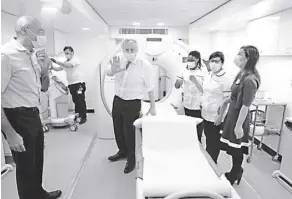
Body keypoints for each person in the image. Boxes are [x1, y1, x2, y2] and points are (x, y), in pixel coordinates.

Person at [1, 16, 62, 199]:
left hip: (33, 112)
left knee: (37, 161)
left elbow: (43, 87)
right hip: (16, 115)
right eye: (39, 30)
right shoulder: (7, 55)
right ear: (24, 29)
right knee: (26, 166)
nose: (42, 34)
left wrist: (44, 70)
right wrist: (10, 134)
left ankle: (39, 193)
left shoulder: (32, 54)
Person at [106, 39, 156, 174]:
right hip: (118, 100)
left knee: (129, 133)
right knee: (117, 129)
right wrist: (115, 70)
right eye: (126, 50)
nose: (129, 53)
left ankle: (131, 159)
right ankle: (122, 152)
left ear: (137, 50)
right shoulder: (118, 59)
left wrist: (153, 107)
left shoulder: (144, 65)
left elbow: (150, 87)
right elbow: (108, 72)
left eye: (132, 50)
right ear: (122, 49)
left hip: (133, 103)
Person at [219, 45, 261, 185]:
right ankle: (235, 170)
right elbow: (236, 96)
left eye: (240, 54)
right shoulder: (241, 74)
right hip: (232, 115)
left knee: (237, 148)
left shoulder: (250, 80)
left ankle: (236, 172)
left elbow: (245, 105)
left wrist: (238, 126)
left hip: (239, 118)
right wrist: (225, 102)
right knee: (232, 148)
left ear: (248, 58)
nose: (236, 56)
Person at [190, 52, 232, 163]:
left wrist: (220, 116)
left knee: (214, 143)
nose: (213, 63)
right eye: (212, 61)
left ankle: (212, 165)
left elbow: (226, 100)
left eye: (216, 61)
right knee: (208, 139)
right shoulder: (208, 75)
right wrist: (195, 82)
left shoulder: (226, 77)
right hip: (205, 113)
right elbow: (204, 91)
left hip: (216, 116)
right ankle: (209, 163)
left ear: (222, 63)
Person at [175, 51, 207, 143]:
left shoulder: (203, 72)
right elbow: (177, 86)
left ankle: (198, 145)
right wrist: (178, 82)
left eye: (192, 60)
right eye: (188, 60)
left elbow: (204, 90)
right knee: (189, 128)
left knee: (198, 130)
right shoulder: (184, 70)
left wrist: (195, 81)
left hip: (198, 105)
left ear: (197, 60)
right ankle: (189, 144)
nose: (189, 61)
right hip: (187, 104)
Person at [50, 46, 87, 124]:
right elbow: (58, 69)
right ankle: (77, 115)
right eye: (65, 53)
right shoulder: (66, 61)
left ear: (72, 52)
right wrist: (50, 66)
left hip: (79, 84)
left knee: (80, 99)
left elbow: (68, 65)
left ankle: (83, 117)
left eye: (68, 53)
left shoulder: (75, 60)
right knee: (75, 100)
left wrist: (56, 61)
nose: (66, 55)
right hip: (72, 85)